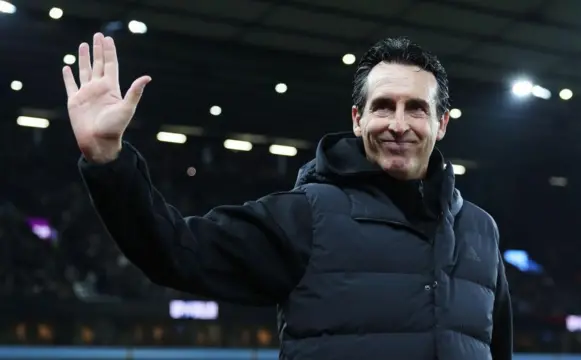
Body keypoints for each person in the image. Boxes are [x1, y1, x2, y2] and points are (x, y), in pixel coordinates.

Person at [63, 33, 512, 360]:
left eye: (416, 107)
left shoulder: (481, 231)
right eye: (383, 106)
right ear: (357, 119)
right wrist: (108, 160)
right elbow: (175, 251)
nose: (398, 123)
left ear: (442, 123)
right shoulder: (304, 216)